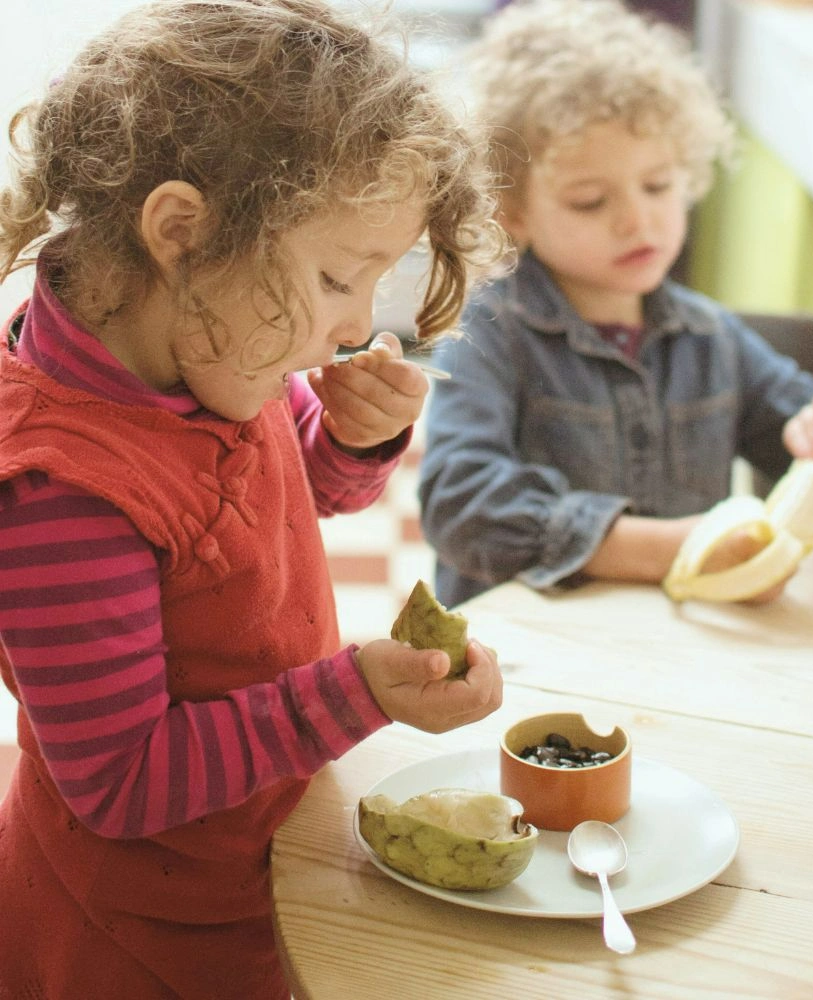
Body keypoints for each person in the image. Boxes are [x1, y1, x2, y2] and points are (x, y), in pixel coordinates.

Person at [0, 1, 506, 996]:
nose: (358, 324)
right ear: (181, 233)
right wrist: (353, 694)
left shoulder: (200, 348)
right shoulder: (61, 497)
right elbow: (122, 780)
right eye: (333, 278)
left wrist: (355, 440)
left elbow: (270, 508)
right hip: (143, 929)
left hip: (265, 850)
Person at [418, 0, 813, 608]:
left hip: (677, 658)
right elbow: (462, 505)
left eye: (658, 185)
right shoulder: (491, 334)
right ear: (511, 212)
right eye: (590, 200)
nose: (638, 219)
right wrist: (669, 548)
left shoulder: (712, 337)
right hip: (529, 660)